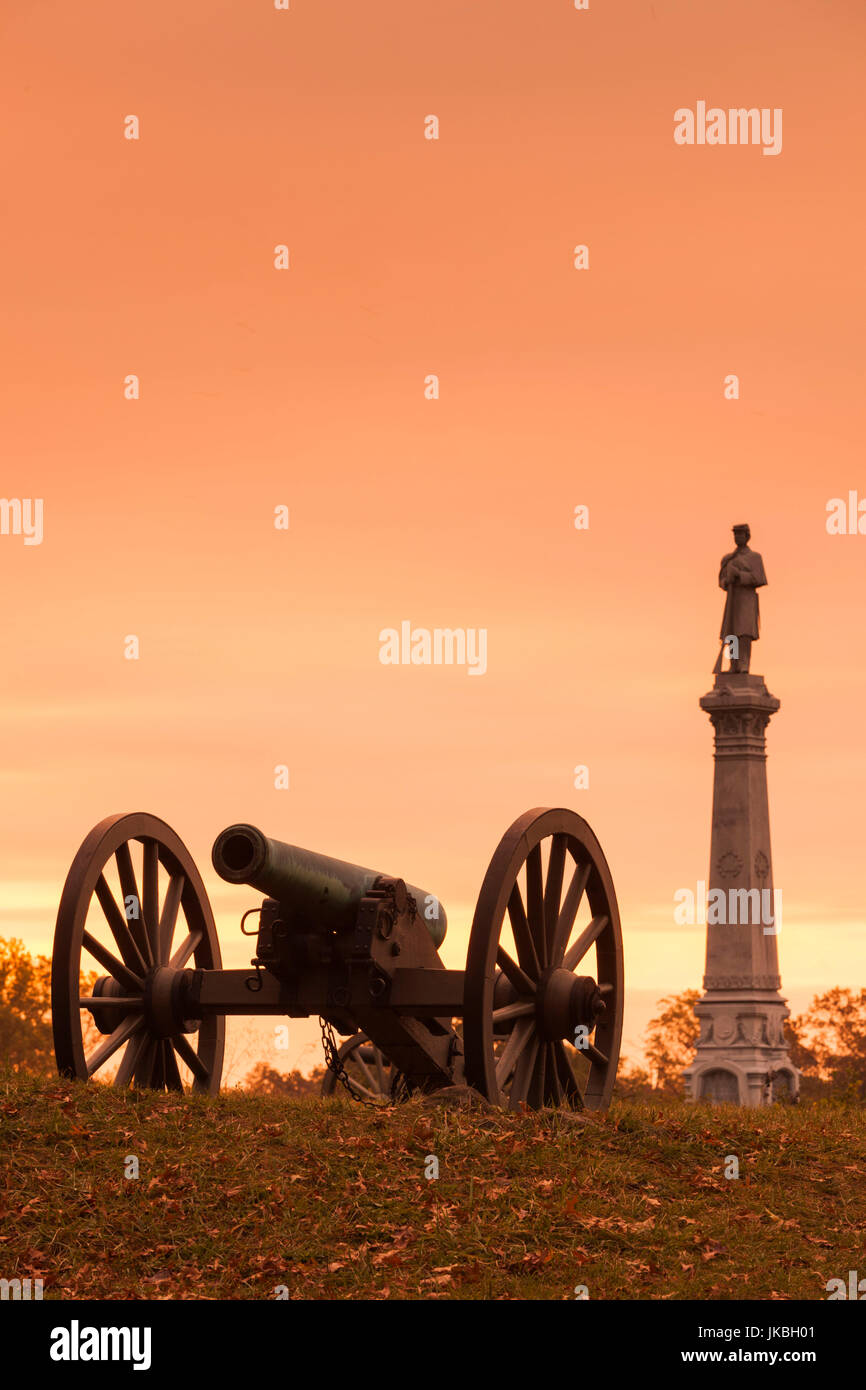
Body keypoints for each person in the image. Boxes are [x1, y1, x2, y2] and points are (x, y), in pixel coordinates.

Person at [713, 523, 767, 674]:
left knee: (744, 633)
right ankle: (733, 665)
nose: (738, 538)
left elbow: (759, 578)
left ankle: (744, 664)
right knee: (732, 634)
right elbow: (721, 581)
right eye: (735, 535)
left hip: (747, 599)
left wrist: (739, 575)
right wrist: (727, 580)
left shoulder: (754, 557)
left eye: (740, 534)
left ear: (747, 536)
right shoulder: (728, 559)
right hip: (732, 600)